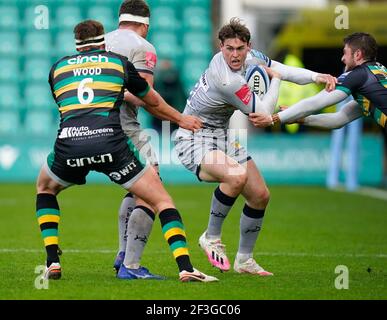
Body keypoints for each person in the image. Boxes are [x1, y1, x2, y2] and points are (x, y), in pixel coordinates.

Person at [36, 19, 217, 283]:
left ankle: (52, 260)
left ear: (77, 44)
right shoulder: (117, 63)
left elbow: (66, 105)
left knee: (44, 188)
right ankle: (185, 267)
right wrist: (181, 119)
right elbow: (150, 99)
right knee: (161, 199)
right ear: (102, 40)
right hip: (111, 142)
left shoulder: (58, 68)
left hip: (69, 143)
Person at [174, 18, 337, 275]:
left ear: (249, 47)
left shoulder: (252, 57)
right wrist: (277, 81)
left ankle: (245, 260)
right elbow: (263, 115)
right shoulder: (227, 80)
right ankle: (211, 236)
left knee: (260, 195)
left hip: (224, 137)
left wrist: (317, 76)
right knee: (236, 176)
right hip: (193, 138)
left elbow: (281, 67)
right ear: (220, 47)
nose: (235, 54)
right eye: (229, 48)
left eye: (240, 48)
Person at [104, 0, 201, 278]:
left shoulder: (102, 42)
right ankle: (131, 266)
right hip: (125, 127)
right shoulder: (143, 47)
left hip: (91, 128)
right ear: (145, 24)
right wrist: (179, 118)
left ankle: (122, 253)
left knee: (137, 189)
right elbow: (143, 96)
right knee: (151, 188)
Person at [249, 33, 386, 139]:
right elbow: (339, 119)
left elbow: (314, 103)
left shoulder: (356, 76)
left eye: (345, 53)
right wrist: (301, 119)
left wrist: (273, 118)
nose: (342, 59)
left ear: (357, 54)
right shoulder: (377, 76)